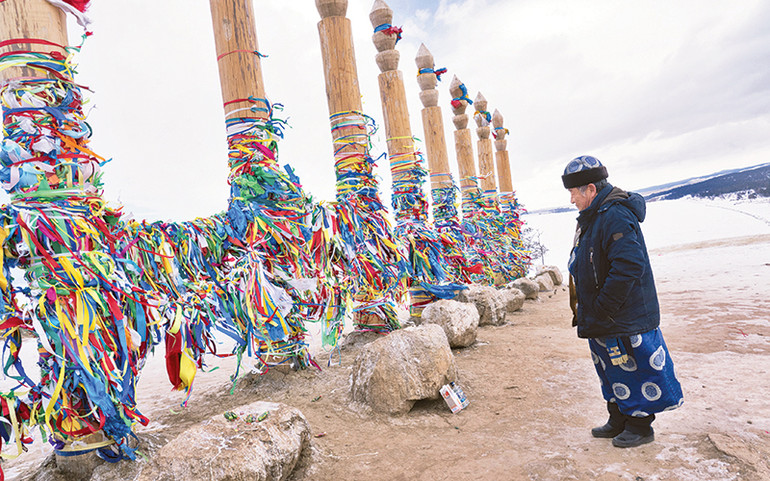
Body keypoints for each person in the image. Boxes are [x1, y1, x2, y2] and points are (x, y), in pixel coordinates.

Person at [563, 155, 683, 448]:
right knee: (611, 369)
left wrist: (604, 307)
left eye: (574, 193)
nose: (571, 200)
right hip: (605, 316)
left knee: (635, 369)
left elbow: (629, 265)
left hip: (623, 316)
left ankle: (640, 426)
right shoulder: (595, 215)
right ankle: (618, 418)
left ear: (591, 189)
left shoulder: (614, 215)